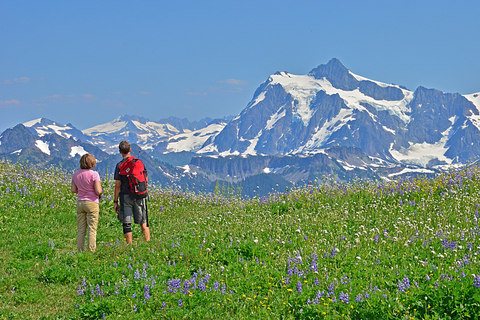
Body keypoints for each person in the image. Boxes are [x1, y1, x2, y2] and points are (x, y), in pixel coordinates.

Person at [114, 140, 150, 244]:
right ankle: (147, 244)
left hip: (125, 196)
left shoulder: (119, 165)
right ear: (130, 150)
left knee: (127, 223)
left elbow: (117, 185)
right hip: (139, 195)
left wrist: (115, 201)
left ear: (120, 151)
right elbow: (145, 180)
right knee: (144, 222)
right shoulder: (139, 162)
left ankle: (129, 246)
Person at [71, 153, 102, 252]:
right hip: (92, 203)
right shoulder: (94, 174)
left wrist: (81, 190)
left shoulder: (76, 174)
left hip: (80, 202)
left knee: (81, 230)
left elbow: (73, 190)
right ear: (92, 163)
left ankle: (80, 250)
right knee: (92, 229)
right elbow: (98, 191)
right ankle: (91, 251)